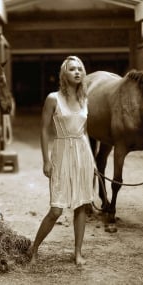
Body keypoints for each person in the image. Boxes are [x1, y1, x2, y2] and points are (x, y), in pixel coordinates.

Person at [28, 56, 96, 266]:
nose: (77, 72)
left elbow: (84, 132)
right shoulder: (53, 98)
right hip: (61, 151)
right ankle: (34, 248)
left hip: (82, 153)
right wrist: (46, 160)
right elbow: (43, 129)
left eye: (80, 69)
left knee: (81, 206)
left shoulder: (85, 99)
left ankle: (77, 253)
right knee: (56, 209)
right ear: (63, 74)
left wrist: (91, 162)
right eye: (72, 69)